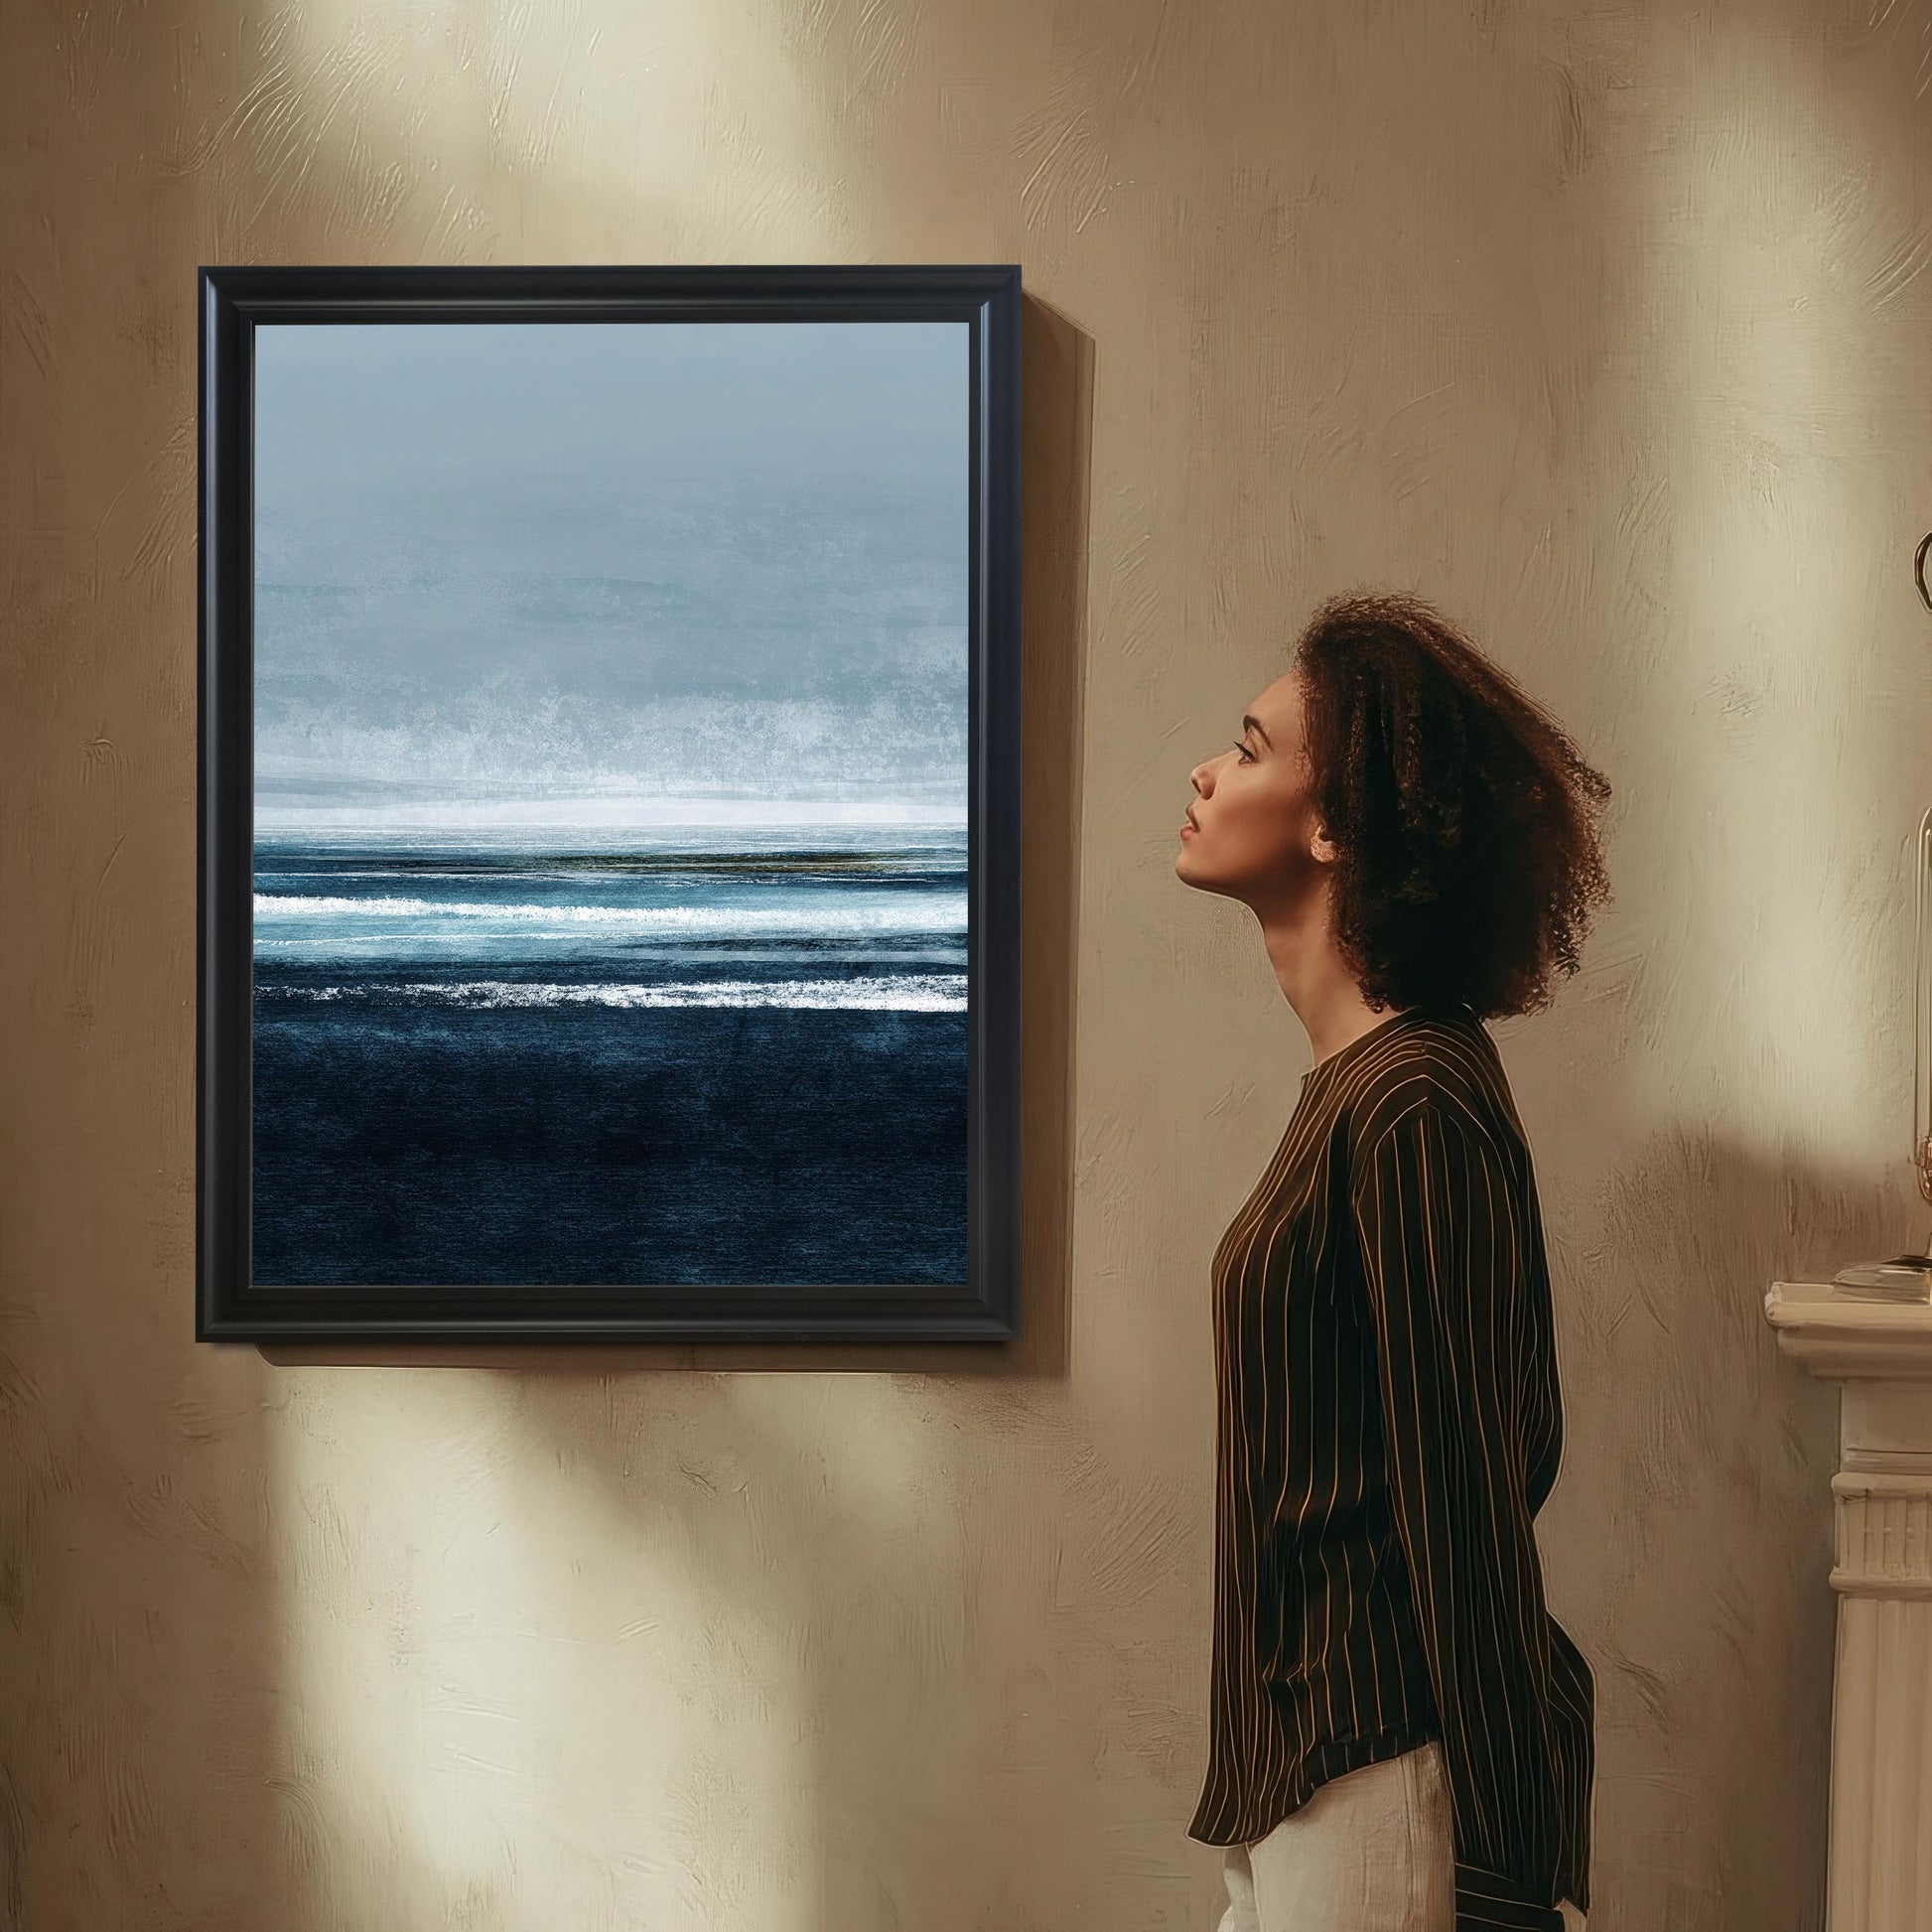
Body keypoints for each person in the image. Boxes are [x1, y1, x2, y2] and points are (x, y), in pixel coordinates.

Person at [1173, 591, 1610, 1932]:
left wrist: (1499, 1882)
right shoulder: (1356, 1090)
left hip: (1387, 1798)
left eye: (1247, 746)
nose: (1204, 768)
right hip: (1301, 1792)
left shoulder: (1411, 1097)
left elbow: (1463, 1509)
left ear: (1334, 823)